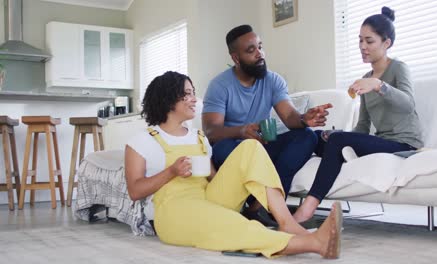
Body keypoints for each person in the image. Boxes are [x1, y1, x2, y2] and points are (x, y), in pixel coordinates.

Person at [125, 71, 343, 259]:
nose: (194, 99)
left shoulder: (197, 137)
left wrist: (240, 178)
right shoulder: (143, 140)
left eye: (194, 92)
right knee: (231, 224)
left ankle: (286, 221)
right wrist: (172, 171)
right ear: (169, 98)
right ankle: (314, 244)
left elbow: (212, 178)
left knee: (250, 147)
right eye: (188, 93)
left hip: (208, 198)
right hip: (174, 211)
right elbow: (135, 191)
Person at [293, 7, 424, 223]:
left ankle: (308, 207)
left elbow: (408, 105)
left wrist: (378, 85)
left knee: (336, 141)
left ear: (386, 43)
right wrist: (338, 136)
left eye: (369, 41)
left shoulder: (398, 69)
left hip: (404, 144)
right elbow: (363, 126)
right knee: (316, 138)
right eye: (360, 40)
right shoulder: (365, 77)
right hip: (382, 141)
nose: (363, 46)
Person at [202, 24, 332, 204]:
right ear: (236, 58)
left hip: (262, 148)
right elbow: (211, 131)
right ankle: (251, 203)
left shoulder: (273, 80)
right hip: (234, 150)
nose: (260, 54)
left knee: (307, 137)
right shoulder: (220, 86)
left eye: (260, 47)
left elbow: (289, 117)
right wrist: (241, 131)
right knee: (222, 149)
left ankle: (269, 204)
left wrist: (303, 119)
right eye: (251, 50)